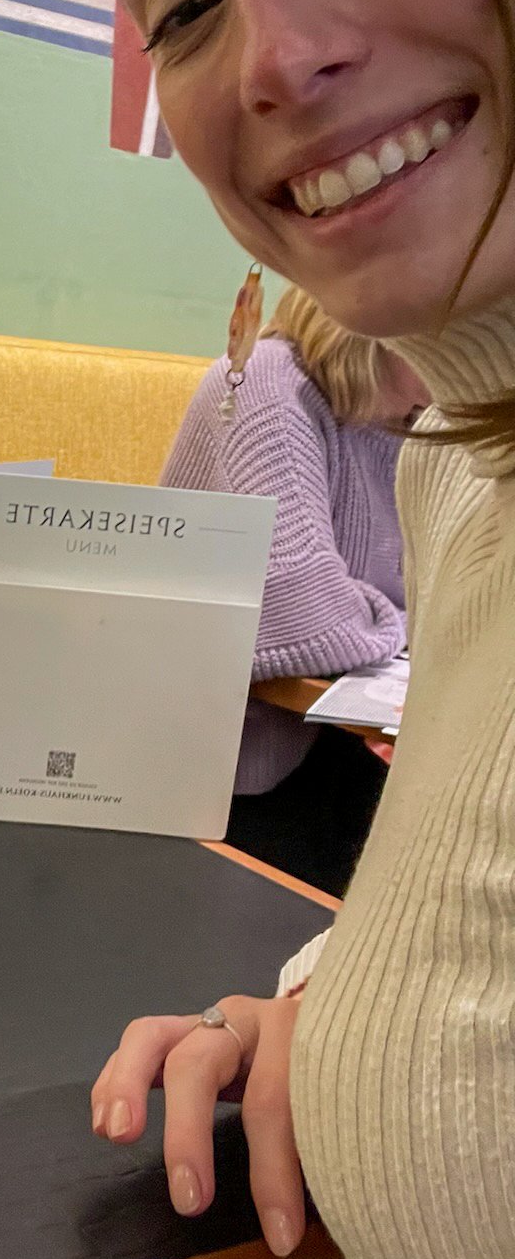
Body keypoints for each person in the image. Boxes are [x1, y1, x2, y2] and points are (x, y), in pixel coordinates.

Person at [71, 0, 515, 1259]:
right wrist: (343, 1011)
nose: (276, 56)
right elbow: (319, 639)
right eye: (180, 3)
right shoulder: (464, 457)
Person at [162, 285, 425, 895]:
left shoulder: (424, 421)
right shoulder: (266, 382)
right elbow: (306, 612)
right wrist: (412, 625)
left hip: (343, 749)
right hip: (235, 775)